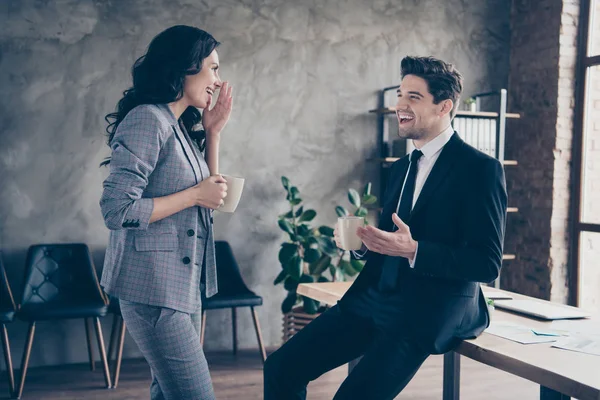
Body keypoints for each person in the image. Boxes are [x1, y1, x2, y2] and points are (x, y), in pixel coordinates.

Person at [264, 56, 507, 400]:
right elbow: (391, 239)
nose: (400, 105)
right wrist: (364, 244)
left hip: (426, 309)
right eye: (400, 95)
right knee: (280, 368)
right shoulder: (401, 167)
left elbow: (486, 262)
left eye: (414, 97)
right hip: (374, 298)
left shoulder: (480, 169)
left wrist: (414, 250)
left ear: (445, 107)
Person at [99, 25, 233, 399]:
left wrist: (214, 133)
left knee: (169, 394)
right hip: (152, 288)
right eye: (213, 68)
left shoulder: (178, 127)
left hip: (181, 287)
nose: (218, 81)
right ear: (185, 67)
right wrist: (194, 195)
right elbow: (116, 209)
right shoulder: (147, 119)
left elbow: (209, 197)